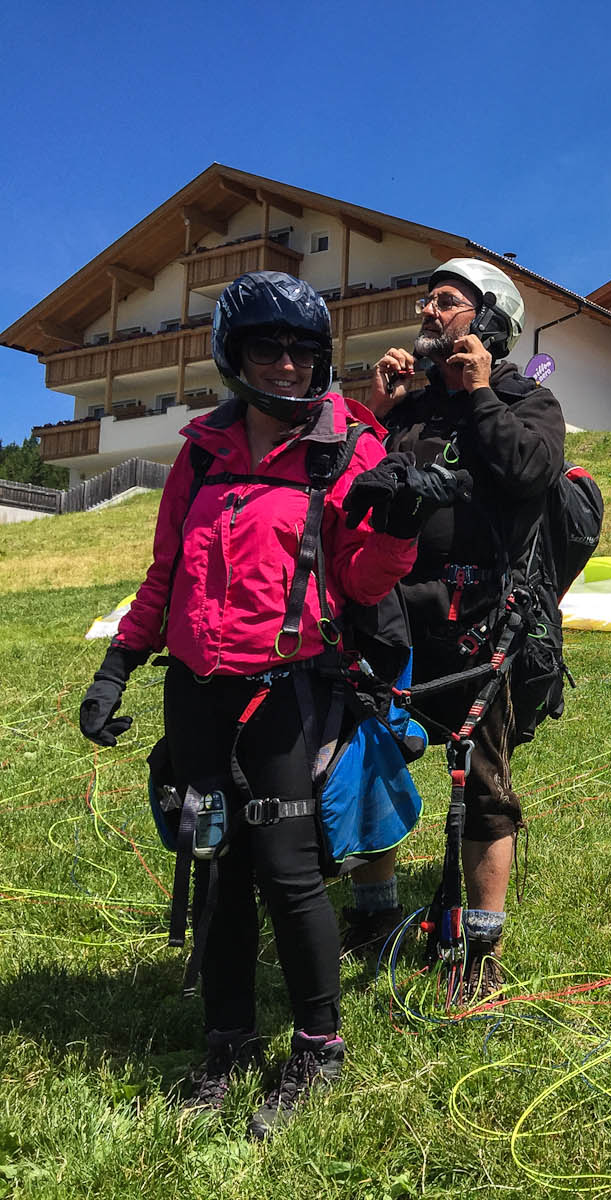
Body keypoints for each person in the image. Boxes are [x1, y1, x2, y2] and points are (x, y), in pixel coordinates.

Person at [76, 273, 434, 1138]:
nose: (286, 364)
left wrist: (398, 529)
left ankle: (317, 1048)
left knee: (287, 869)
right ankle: (228, 1043)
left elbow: (359, 581)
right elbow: (165, 573)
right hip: (196, 693)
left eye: (302, 350)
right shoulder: (200, 454)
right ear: (232, 356)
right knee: (219, 869)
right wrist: (117, 666)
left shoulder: (345, 450)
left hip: (286, 693)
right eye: (266, 348)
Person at [345, 258, 566, 1001]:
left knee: (483, 783)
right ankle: (374, 914)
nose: (428, 312)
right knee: (371, 760)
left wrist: (479, 394)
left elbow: (529, 473)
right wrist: (377, 413)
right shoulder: (410, 409)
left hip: (480, 621)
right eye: (427, 301)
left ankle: (481, 950)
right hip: (390, 618)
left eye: (446, 301)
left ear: (490, 319)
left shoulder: (526, 401)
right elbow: (352, 489)